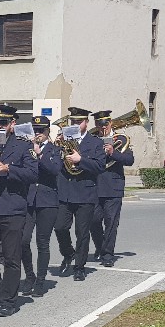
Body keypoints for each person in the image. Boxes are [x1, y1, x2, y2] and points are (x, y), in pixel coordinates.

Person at [0, 105, 38, 318]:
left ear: (13, 124)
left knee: (12, 257)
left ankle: (8, 300)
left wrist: (8, 169)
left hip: (12, 207)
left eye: (3, 122)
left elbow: (32, 173)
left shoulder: (23, 145)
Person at [54, 107, 106, 281]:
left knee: (82, 232)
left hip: (85, 192)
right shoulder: (63, 141)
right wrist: (55, 148)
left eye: (79, 122)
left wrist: (80, 160)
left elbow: (99, 167)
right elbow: (54, 165)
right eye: (73, 122)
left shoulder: (96, 143)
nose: (75, 125)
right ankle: (68, 253)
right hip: (65, 192)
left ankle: (79, 266)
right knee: (60, 227)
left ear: (86, 123)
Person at [19, 116, 62, 298]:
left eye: (41, 131)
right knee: (22, 240)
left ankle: (40, 281)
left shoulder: (54, 150)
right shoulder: (25, 149)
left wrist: (40, 154)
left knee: (42, 242)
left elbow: (54, 170)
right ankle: (29, 275)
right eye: (35, 131)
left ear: (47, 132)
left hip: (47, 201)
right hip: (29, 199)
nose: (37, 134)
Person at [89, 110, 133, 267]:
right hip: (94, 186)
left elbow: (129, 160)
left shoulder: (121, 139)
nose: (103, 127)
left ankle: (107, 254)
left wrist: (113, 152)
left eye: (105, 124)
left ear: (110, 123)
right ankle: (101, 247)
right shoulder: (92, 139)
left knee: (111, 222)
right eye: (99, 125)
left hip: (113, 187)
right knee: (93, 221)